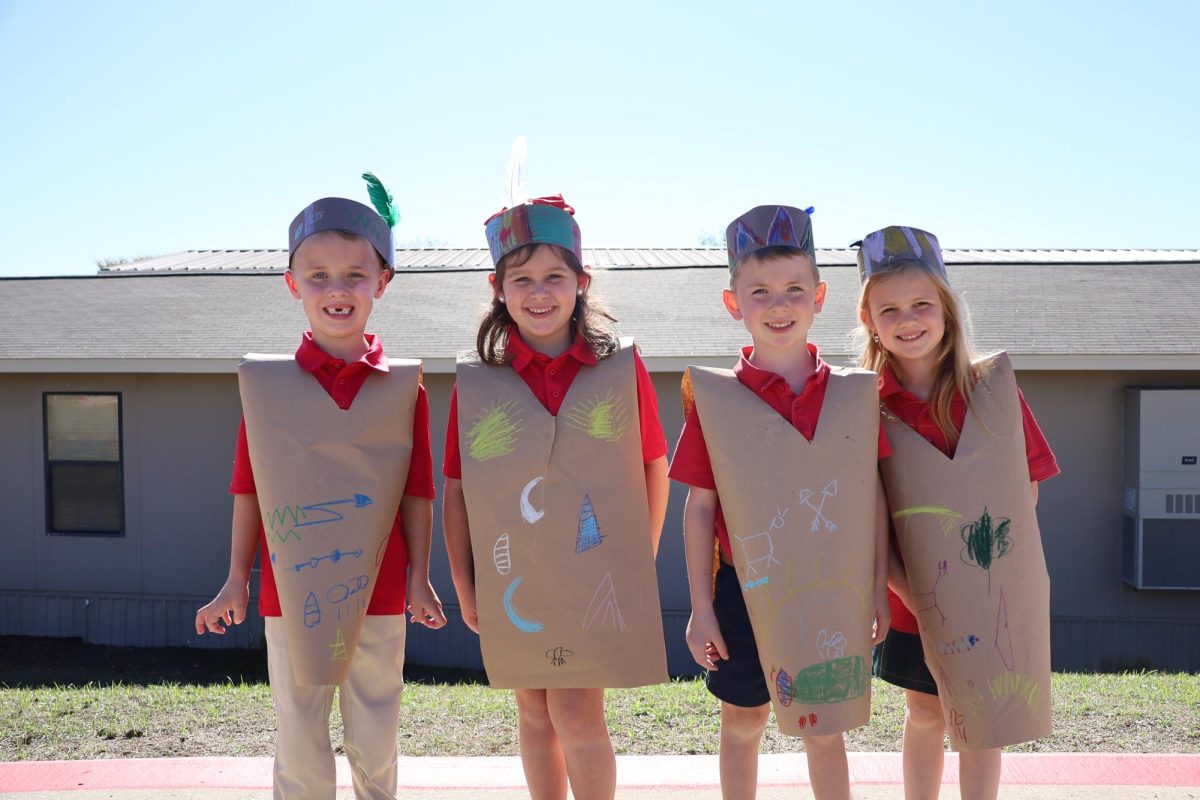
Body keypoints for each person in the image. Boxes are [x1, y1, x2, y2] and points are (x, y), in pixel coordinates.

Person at [195, 174, 446, 800]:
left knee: (377, 734)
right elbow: (248, 486)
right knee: (300, 737)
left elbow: (417, 490)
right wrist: (236, 577)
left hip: (383, 593)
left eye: (355, 275)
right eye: (318, 275)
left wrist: (419, 576)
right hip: (292, 588)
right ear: (292, 284)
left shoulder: (403, 387)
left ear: (382, 282)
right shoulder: (268, 388)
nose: (337, 290)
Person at [442, 195, 670, 800]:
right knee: (535, 713)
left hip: (594, 572)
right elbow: (458, 493)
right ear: (498, 288)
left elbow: (653, 466)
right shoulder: (478, 383)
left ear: (581, 282)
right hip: (515, 578)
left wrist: (636, 560)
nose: (538, 293)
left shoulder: (618, 368)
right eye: (522, 280)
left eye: (553, 278)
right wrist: (467, 588)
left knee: (576, 712)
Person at [671, 205, 890, 800]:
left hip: (831, 587)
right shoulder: (716, 403)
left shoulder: (853, 397)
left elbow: (868, 498)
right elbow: (697, 510)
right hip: (743, 590)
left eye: (795, 289)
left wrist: (874, 588)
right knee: (744, 721)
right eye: (760, 291)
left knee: (826, 727)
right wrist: (700, 608)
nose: (778, 304)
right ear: (732, 302)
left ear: (819, 297)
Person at [856, 225, 1058, 800]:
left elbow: (1024, 492)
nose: (908, 318)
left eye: (922, 303)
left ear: (946, 309)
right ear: (870, 319)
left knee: (984, 718)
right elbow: (868, 516)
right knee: (925, 709)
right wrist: (908, 589)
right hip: (910, 595)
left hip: (991, 588)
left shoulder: (991, 392)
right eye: (889, 308)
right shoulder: (865, 408)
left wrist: (983, 566)